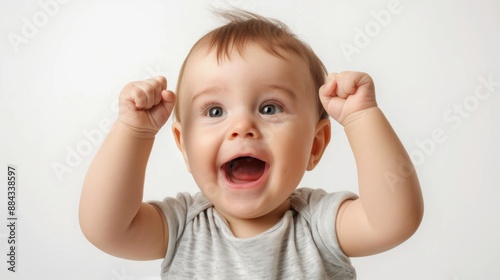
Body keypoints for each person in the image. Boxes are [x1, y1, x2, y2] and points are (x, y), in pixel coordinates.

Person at [79, 10, 423, 279]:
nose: (242, 127)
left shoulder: (320, 226)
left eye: (270, 108)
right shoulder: (182, 226)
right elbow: (106, 228)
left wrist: (362, 118)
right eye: (215, 110)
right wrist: (134, 132)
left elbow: (393, 221)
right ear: (183, 146)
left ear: (315, 145)